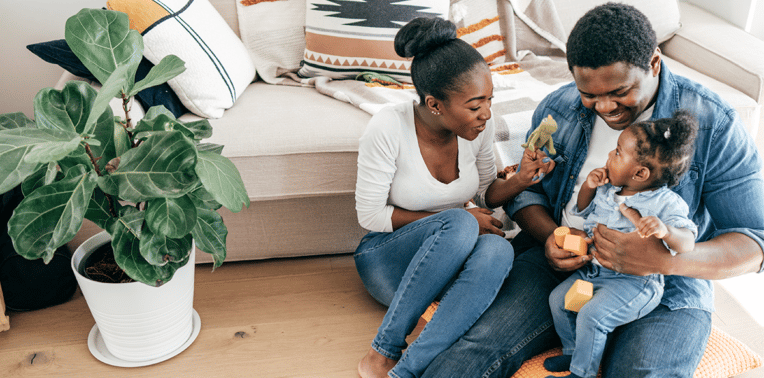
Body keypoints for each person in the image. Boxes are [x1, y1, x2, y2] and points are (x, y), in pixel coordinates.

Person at [421, 3, 764, 377]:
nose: (604, 107)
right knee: (475, 349)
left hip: (668, 283)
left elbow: (754, 242)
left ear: (653, 63)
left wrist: (664, 260)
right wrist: (551, 237)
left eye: (619, 91)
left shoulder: (714, 122)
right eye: (589, 93)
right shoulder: (560, 109)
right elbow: (528, 194)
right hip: (562, 269)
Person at [353, 17, 555, 378]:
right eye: (475, 106)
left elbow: (484, 193)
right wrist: (459, 222)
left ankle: (408, 370)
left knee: (499, 249)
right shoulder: (387, 127)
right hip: (387, 259)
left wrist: (523, 179)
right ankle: (382, 353)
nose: (487, 114)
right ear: (434, 105)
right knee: (462, 220)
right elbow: (370, 216)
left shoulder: (478, 128)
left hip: (447, 260)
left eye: (489, 100)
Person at [545, 111, 699, 378]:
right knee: (559, 300)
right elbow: (583, 211)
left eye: (617, 153)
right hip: (595, 272)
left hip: (635, 284)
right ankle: (573, 354)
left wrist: (665, 230)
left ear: (639, 173)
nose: (608, 156)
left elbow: (687, 242)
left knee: (591, 316)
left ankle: (583, 373)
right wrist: (589, 188)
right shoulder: (608, 190)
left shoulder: (666, 203)